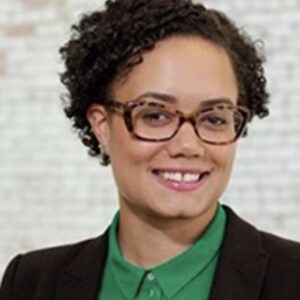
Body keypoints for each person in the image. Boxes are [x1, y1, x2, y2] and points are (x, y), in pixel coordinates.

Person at [1, 0, 300, 299]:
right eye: (155, 115)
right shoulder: (31, 283)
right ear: (102, 126)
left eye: (213, 118)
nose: (188, 145)